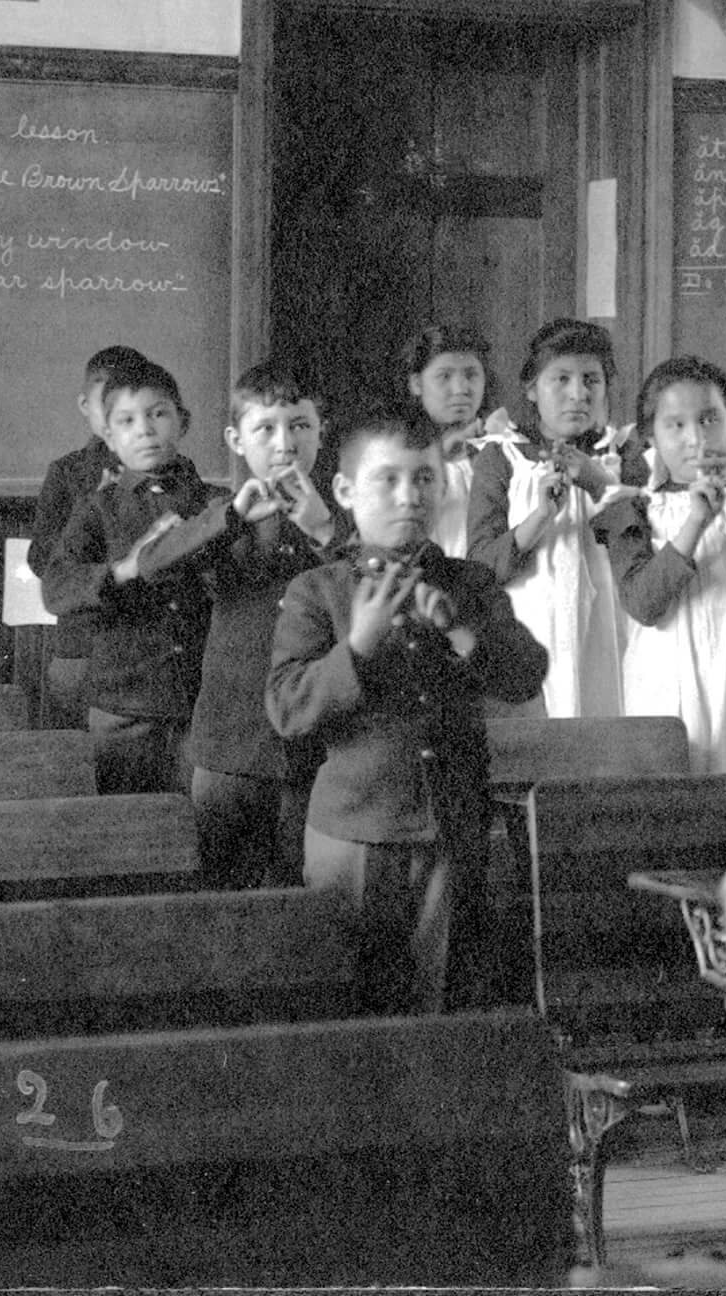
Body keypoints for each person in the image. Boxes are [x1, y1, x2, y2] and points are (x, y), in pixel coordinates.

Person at [267, 404, 548, 1012]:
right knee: (350, 1008)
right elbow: (287, 709)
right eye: (387, 479)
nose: (408, 495)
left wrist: (461, 631)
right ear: (344, 490)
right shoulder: (316, 591)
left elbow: (527, 675)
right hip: (353, 832)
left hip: (451, 825)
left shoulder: (469, 583)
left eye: (424, 478)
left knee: (441, 1001)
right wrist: (359, 645)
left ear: (444, 485)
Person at [139, 364, 341, 888]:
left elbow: (374, 593)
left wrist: (324, 531)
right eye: (265, 429)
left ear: (322, 432)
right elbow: (151, 564)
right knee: (227, 904)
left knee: (310, 905)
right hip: (227, 746)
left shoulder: (345, 515)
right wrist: (229, 516)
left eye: (300, 425)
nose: (284, 443)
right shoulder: (213, 515)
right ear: (235, 439)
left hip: (314, 749)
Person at [596, 355, 726, 774]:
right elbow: (644, 603)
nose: (696, 439)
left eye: (710, 420)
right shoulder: (634, 509)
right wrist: (695, 522)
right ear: (650, 435)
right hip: (674, 688)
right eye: (676, 425)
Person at [39, 358, 219, 795]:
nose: (144, 429)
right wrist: (124, 570)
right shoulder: (97, 509)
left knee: (195, 834)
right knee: (127, 832)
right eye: (126, 420)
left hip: (201, 705)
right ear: (109, 436)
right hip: (123, 708)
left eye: (158, 414)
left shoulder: (217, 505)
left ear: (183, 421)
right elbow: (55, 588)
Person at [467, 319, 636, 718]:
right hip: (531, 630)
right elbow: (480, 567)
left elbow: (651, 541)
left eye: (591, 380)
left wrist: (601, 485)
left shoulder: (625, 455)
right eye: (561, 379)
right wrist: (540, 516)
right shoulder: (502, 456)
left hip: (611, 629)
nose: (578, 394)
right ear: (532, 389)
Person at [25, 345, 155, 579]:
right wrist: (93, 505)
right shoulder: (67, 472)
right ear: (85, 405)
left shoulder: (162, 468)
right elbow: (40, 559)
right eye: (105, 406)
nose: (115, 417)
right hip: (88, 604)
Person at [403, 322, 492, 558]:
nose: (461, 388)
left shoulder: (505, 449)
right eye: (444, 376)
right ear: (416, 384)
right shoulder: (395, 451)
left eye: (471, 375)